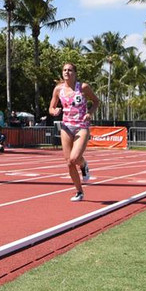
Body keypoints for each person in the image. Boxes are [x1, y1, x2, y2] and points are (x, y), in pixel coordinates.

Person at [49, 62, 95, 200]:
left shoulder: (83, 87)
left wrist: (90, 113)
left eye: (69, 70)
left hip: (81, 125)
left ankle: (84, 164)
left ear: (75, 73)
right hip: (66, 126)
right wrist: (54, 111)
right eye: (64, 70)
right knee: (69, 162)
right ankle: (79, 191)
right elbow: (51, 107)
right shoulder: (58, 89)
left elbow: (97, 102)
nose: (66, 72)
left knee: (75, 158)